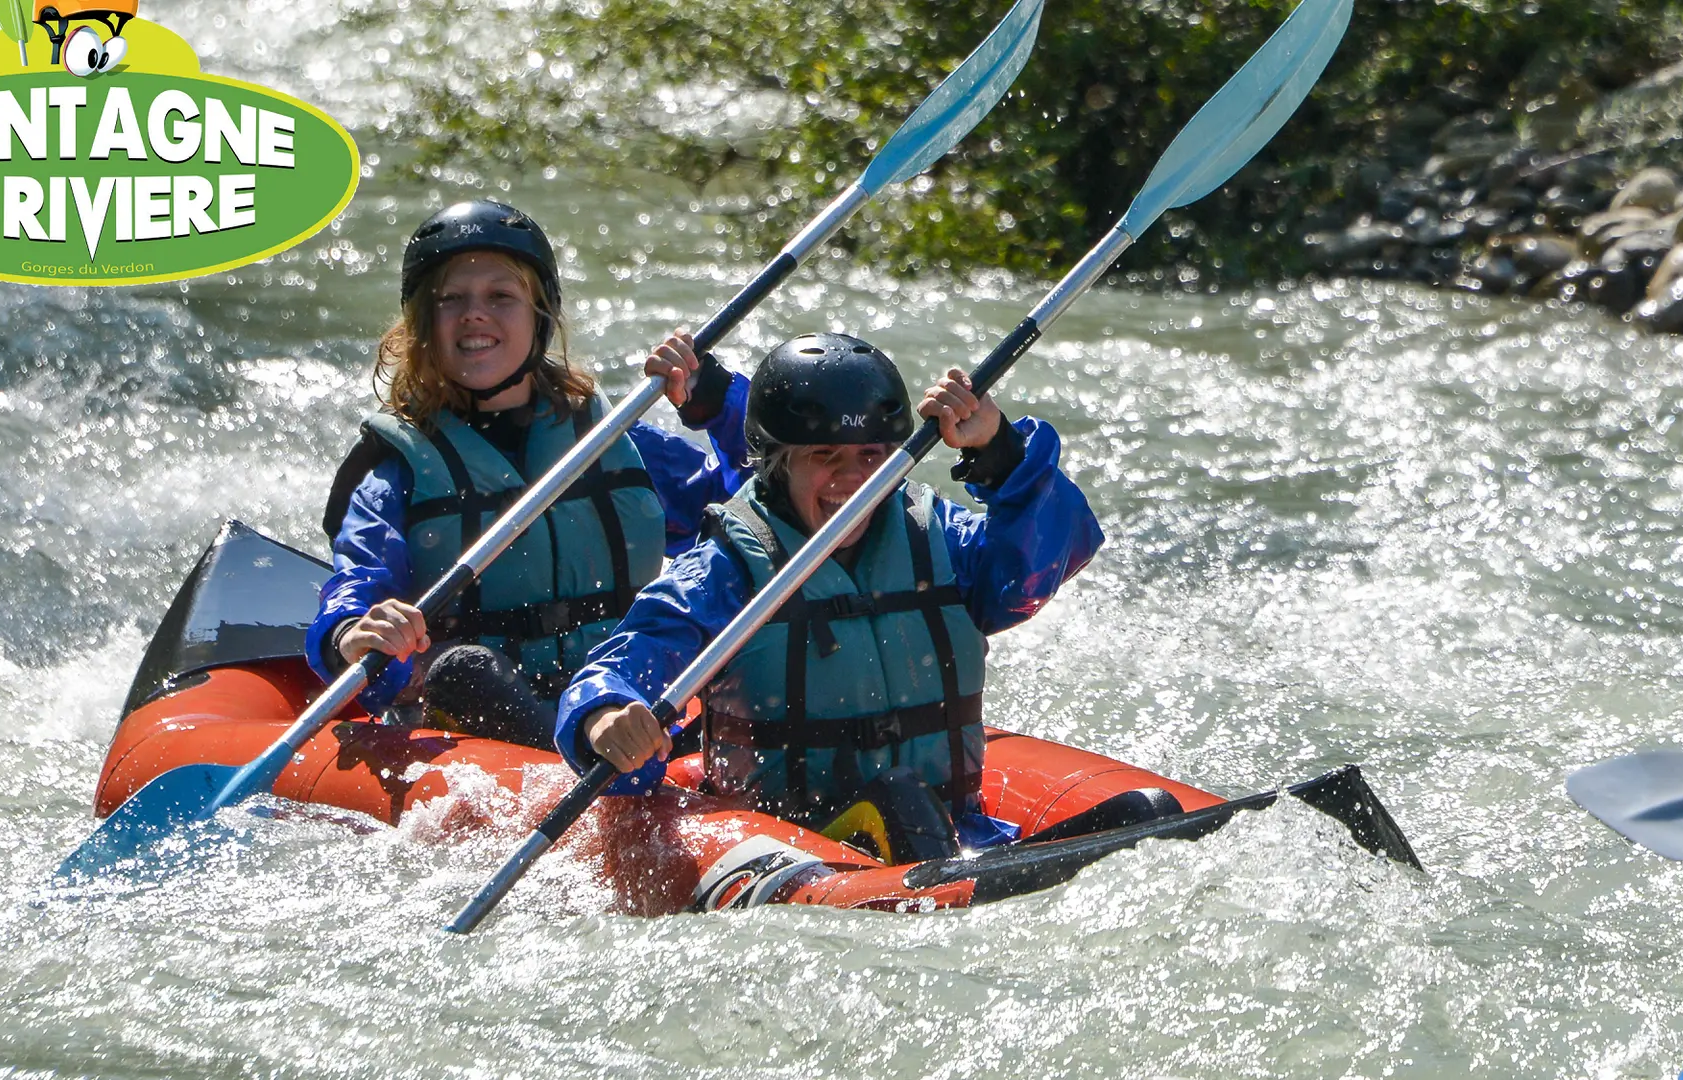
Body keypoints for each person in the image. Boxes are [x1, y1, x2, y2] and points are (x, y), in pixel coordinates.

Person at [553, 332, 1104, 860]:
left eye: (870, 455)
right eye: (824, 456)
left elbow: (1036, 570)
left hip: (954, 834)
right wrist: (603, 713)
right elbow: (630, 658)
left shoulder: (940, 540)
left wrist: (1001, 450)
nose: (853, 481)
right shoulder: (727, 572)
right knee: (901, 802)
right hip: (799, 840)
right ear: (776, 463)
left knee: (1140, 811)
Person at [306, 199, 751, 749]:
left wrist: (715, 404)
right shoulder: (398, 471)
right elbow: (355, 588)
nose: (474, 313)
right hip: (483, 719)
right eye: (452, 299)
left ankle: (609, 740)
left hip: (622, 702)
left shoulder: (613, 438)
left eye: (500, 296)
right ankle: (580, 750)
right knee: (462, 671)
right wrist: (356, 631)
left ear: (540, 317)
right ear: (423, 324)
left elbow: (755, 516)